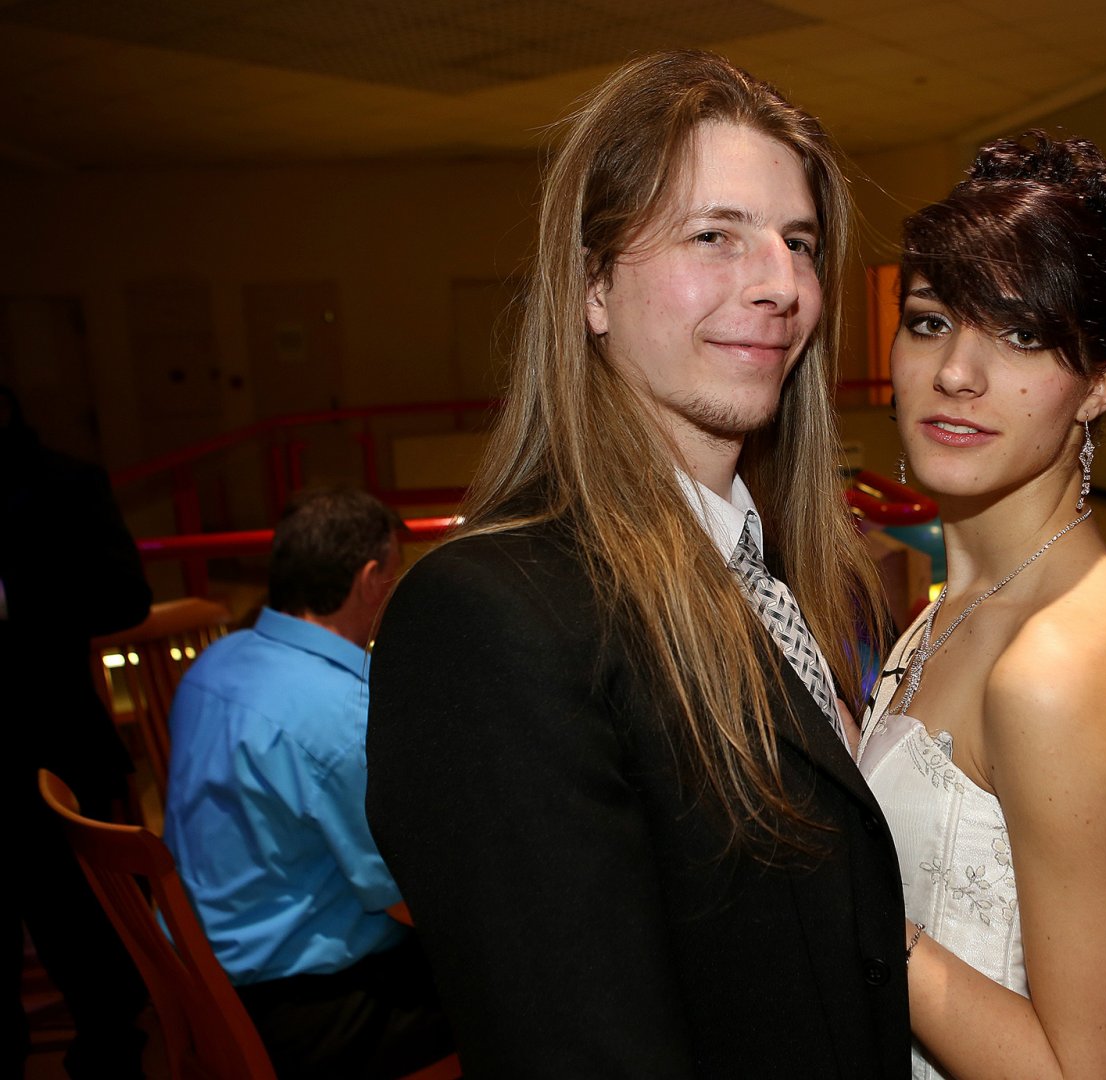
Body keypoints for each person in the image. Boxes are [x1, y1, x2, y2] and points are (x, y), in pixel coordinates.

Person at [365, 50, 908, 1077]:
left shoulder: (775, 563)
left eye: (797, 243)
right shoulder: (486, 618)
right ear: (592, 288)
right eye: (714, 235)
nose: (781, 285)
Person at [858, 133, 1106, 1079]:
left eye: (1022, 335)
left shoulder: (1053, 668)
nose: (957, 372)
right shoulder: (970, 597)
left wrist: (849, 902)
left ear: (1100, 384)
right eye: (929, 321)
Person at [163, 487, 452, 1079]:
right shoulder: (343, 715)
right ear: (369, 580)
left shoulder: (213, 663)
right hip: (305, 1014)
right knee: (523, 986)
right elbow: (409, 901)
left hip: (202, 982)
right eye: (394, 574)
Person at [4, 386, 151, 1077]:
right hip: (50, 740)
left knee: (86, 934)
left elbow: (126, 596)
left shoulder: (61, 483)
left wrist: (25, 598)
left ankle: (111, 1057)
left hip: (53, 733)